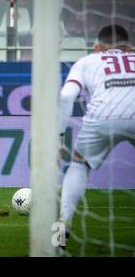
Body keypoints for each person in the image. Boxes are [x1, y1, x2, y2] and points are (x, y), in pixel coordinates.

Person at [58, 24, 135, 241]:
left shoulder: (87, 61)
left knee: (79, 163)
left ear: (96, 47)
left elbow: (65, 97)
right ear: (128, 48)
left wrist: (59, 138)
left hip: (102, 115)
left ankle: (63, 222)